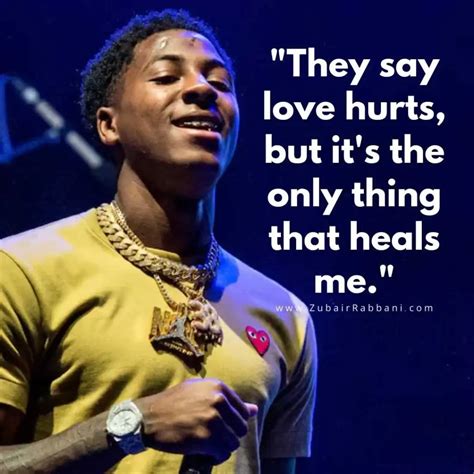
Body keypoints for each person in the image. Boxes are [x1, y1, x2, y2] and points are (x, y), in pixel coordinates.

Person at [0, 9, 317, 474]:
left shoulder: (285, 313)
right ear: (110, 125)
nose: (203, 89)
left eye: (220, 83)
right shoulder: (21, 270)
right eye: (167, 77)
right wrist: (128, 426)